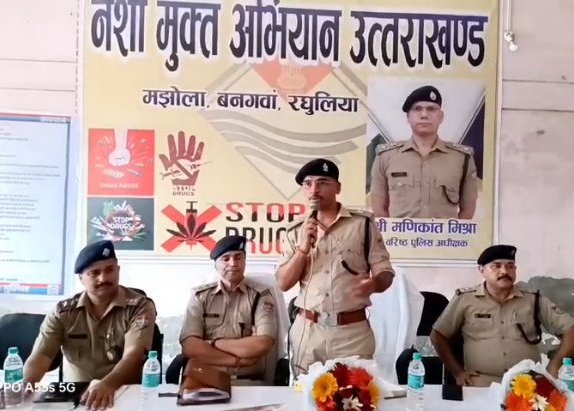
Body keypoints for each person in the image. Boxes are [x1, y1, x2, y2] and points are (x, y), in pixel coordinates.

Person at [0, 240, 156, 410]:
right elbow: (42, 355)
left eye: (109, 269)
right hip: (75, 396)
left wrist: (108, 384)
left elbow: (134, 354)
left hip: (125, 392)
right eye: (94, 273)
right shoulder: (63, 312)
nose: (103, 278)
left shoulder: (139, 307)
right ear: (81, 278)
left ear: (118, 270)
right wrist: (26, 384)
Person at [275, 158, 395, 376]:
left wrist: (373, 284)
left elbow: (385, 273)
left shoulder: (362, 224)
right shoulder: (295, 231)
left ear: (338, 188)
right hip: (308, 332)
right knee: (306, 394)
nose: (314, 190)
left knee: (356, 394)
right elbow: (283, 283)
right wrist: (303, 249)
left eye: (322, 183)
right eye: (308, 184)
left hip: (352, 334)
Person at [430, 245, 574, 387]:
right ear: (482, 270)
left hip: (526, 383)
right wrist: (457, 372)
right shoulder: (465, 299)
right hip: (480, 382)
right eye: (496, 266)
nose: (504, 271)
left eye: (510, 266)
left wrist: (554, 366)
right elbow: (438, 335)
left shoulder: (533, 299)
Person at [180, 235, 278, 386]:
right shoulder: (200, 297)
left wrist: (213, 343)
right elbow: (190, 346)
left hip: (248, 380)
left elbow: (263, 344)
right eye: (226, 259)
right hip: (206, 379)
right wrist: (237, 360)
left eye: (238, 257)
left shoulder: (261, 295)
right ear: (216, 265)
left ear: (244, 261)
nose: (233, 263)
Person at [370, 85, 479, 219]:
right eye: (417, 109)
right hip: (399, 233)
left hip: (445, 233)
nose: (424, 115)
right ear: (408, 117)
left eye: (431, 109)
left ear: (441, 117)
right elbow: (379, 210)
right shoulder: (386, 157)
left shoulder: (461, 158)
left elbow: (467, 211)